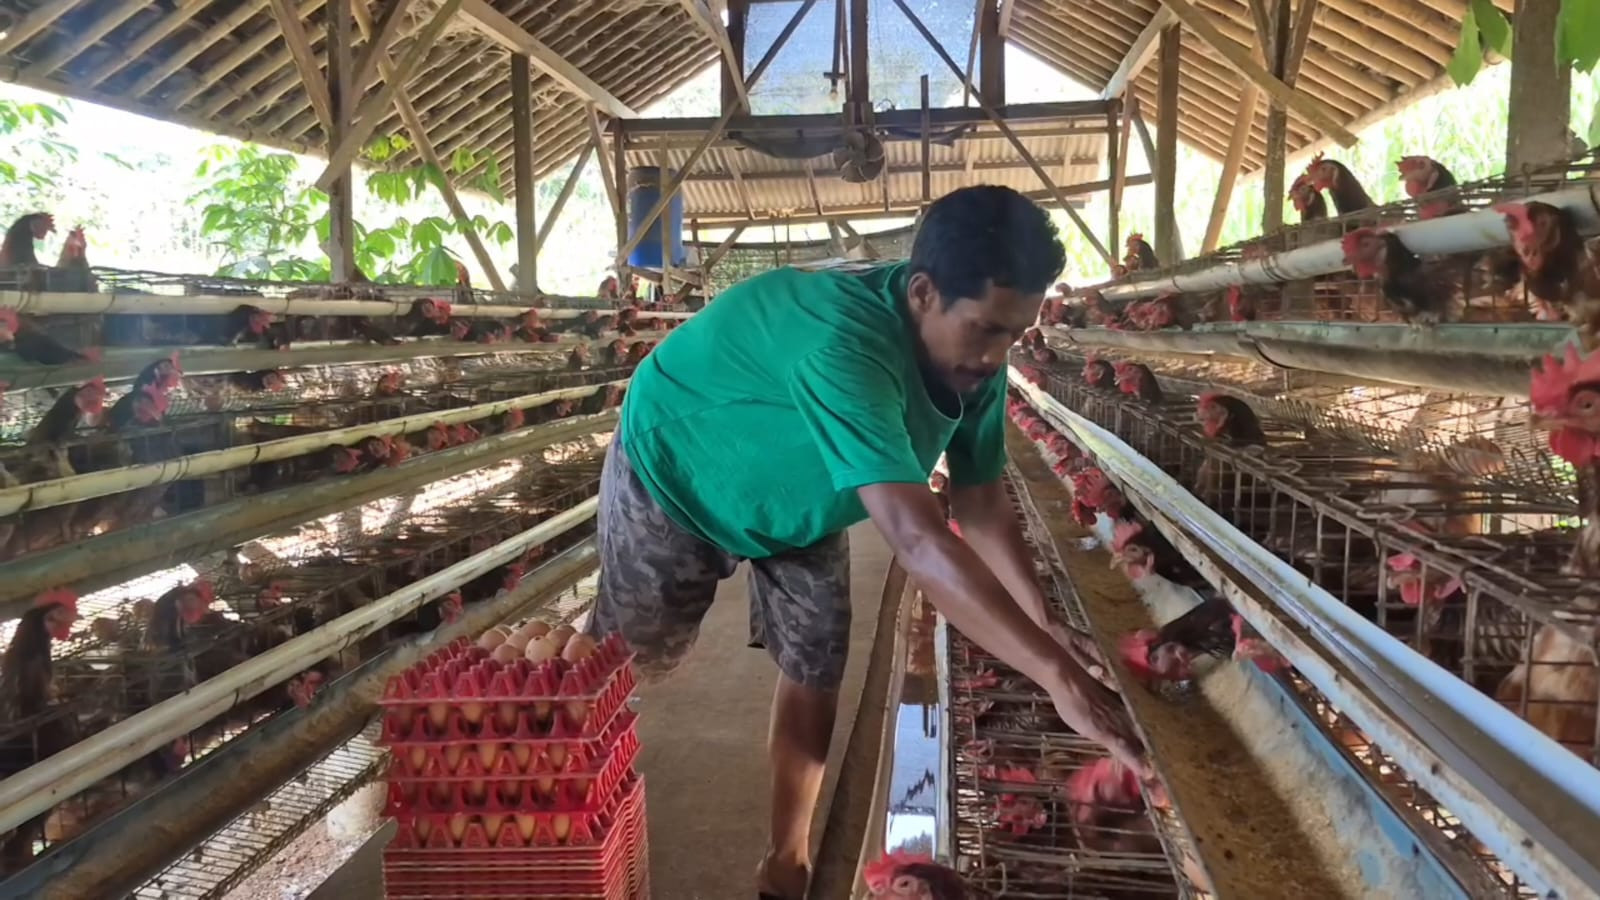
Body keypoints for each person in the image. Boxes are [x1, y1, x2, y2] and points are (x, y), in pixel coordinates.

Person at [584, 185, 1148, 899]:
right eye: (983, 328)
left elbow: (978, 500)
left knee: (818, 658)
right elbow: (916, 539)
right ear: (921, 292)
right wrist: (1058, 679)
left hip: (806, 490)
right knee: (624, 666)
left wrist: (1046, 627)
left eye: (1014, 331)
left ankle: (785, 864)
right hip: (685, 466)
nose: (995, 354)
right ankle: (547, 801)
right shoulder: (845, 343)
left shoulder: (974, 359)